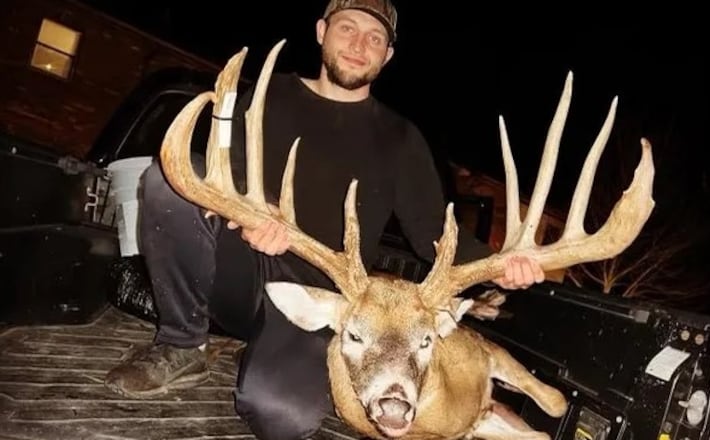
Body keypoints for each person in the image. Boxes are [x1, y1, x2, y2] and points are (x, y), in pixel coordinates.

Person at [104, 0, 545, 438]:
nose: (359, 45)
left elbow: (431, 231)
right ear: (321, 31)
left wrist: (499, 265)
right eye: (347, 28)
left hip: (326, 304)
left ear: (388, 55)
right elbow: (225, 175)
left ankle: (266, 357)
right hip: (241, 271)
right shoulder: (269, 95)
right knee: (169, 184)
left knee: (280, 416)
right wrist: (256, 215)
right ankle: (182, 343)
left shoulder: (400, 139)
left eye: (375, 38)